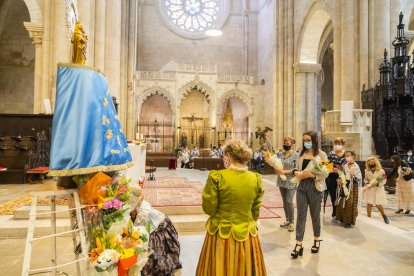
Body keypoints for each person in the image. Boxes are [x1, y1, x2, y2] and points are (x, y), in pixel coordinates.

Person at [196, 140, 267, 275]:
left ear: (228, 155)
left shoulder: (217, 177)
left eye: (224, 155)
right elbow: (255, 212)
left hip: (221, 234)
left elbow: (209, 209)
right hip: (247, 235)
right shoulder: (256, 178)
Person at [130, 181, 182, 275]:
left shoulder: (142, 213)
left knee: (156, 261)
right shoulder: (138, 207)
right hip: (153, 228)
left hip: (158, 231)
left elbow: (140, 232)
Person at [291, 131, 328, 258]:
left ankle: (317, 239)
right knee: (300, 216)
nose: (305, 142)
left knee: (315, 216)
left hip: (315, 187)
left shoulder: (322, 155)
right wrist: (296, 172)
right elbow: (295, 168)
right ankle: (298, 244)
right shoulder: (300, 154)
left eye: (308, 140)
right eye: (304, 140)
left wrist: (312, 175)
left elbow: (326, 172)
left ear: (314, 140)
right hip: (301, 186)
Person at [275, 137, 299, 232]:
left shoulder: (296, 155)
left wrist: (284, 171)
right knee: (284, 201)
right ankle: (287, 220)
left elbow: (296, 169)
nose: (285, 144)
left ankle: (292, 222)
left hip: (291, 180)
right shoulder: (280, 154)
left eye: (287, 142)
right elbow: (276, 165)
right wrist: (276, 170)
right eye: (284, 142)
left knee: (289, 201)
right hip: (281, 180)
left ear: (292, 144)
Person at [335, 151, 362, 228]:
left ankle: (349, 222)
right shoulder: (344, 165)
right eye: (346, 156)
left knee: (350, 203)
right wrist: (340, 179)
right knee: (342, 202)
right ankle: (342, 218)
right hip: (344, 184)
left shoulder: (356, 167)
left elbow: (359, 179)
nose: (347, 157)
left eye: (348, 156)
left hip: (353, 186)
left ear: (353, 156)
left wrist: (354, 176)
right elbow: (341, 175)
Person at [363, 157, 389, 224]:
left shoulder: (381, 171)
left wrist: (378, 184)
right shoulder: (366, 170)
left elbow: (384, 179)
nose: (370, 164)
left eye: (372, 162)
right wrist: (366, 182)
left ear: (375, 163)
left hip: (378, 189)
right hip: (370, 188)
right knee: (369, 203)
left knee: (378, 204)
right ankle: (368, 218)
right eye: (369, 162)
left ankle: (384, 216)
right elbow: (365, 179)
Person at [326, 137, 347, 220]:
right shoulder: (331, 153)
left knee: (342, 194)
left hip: (343, 177)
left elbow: (349, 165)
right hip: (332, 177)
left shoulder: (346, 154)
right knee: (333, 195)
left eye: (339, 144)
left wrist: (339, 170)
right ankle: (335, 210)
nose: (337, 145)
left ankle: (342, 212)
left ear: (343, 145)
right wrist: (332, 169)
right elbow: (325, 165)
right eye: (336, 143)